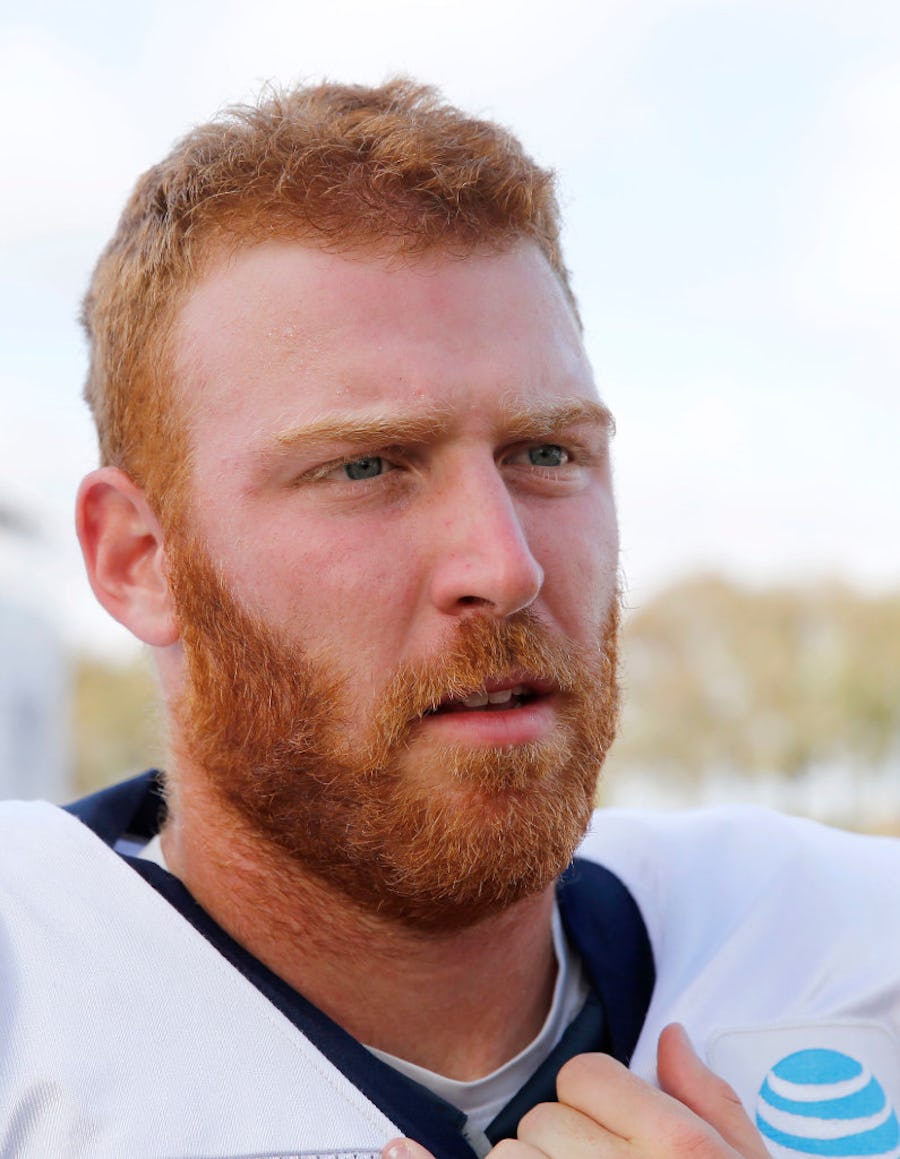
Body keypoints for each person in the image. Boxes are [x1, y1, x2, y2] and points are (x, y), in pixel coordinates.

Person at [1, 79, 898, 1159]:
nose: (505, 564)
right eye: (367, 466)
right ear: (140, 559)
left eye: (546, 454)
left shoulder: (853, 947)